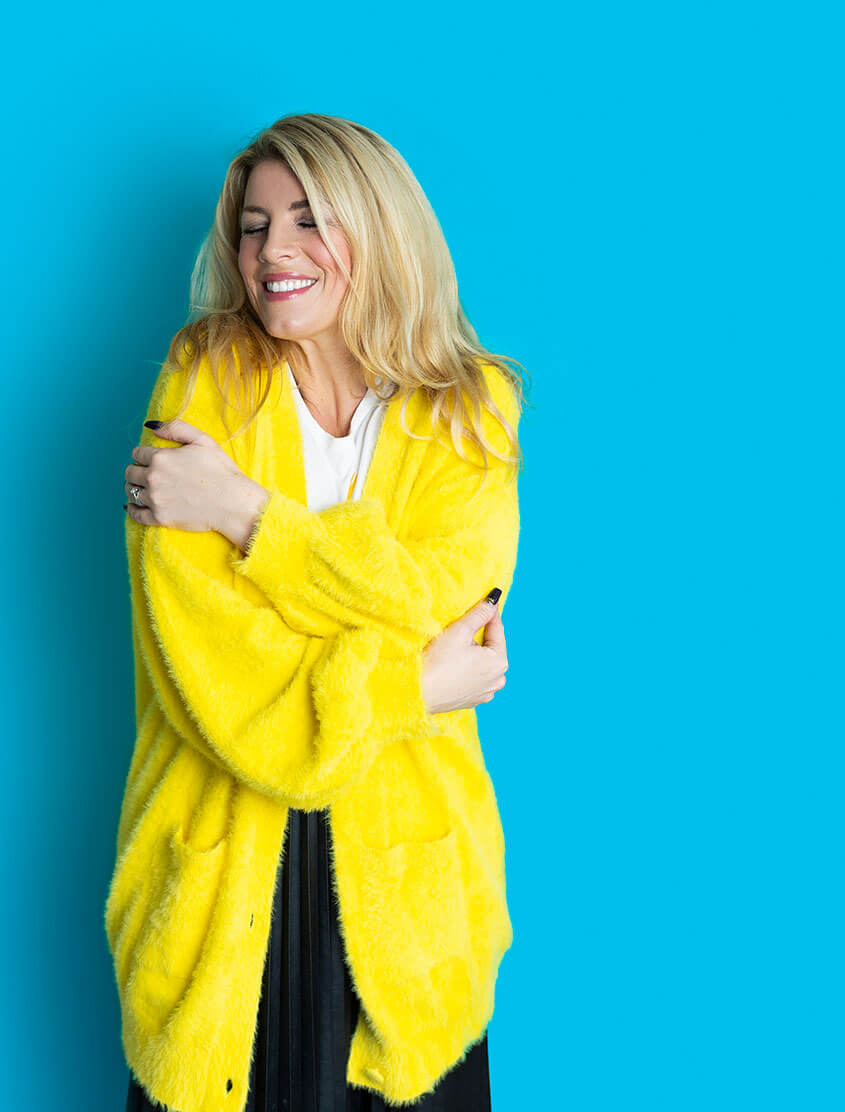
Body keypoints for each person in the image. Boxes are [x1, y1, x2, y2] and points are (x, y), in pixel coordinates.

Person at [107, 112, 527, 1112]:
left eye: (308, 219)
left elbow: (440, 601)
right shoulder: (205, 385)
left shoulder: (472, 409)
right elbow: (235, 690)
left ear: (379, 228)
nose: (272, 253)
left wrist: (251, 518)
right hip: (222, 895)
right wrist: (415, 682)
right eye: (252, 227)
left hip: (412, 912)